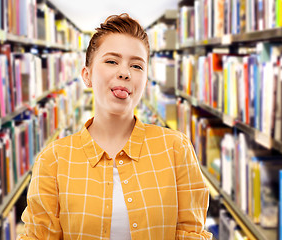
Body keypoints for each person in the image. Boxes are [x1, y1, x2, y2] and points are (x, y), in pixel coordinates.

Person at [19, 13, 212, 240]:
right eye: (112, 61)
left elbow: (192, 234)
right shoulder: (53, 161)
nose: (125, 72)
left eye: (137, 66)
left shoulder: (176, 149)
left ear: (146, 81)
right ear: (87, 75)